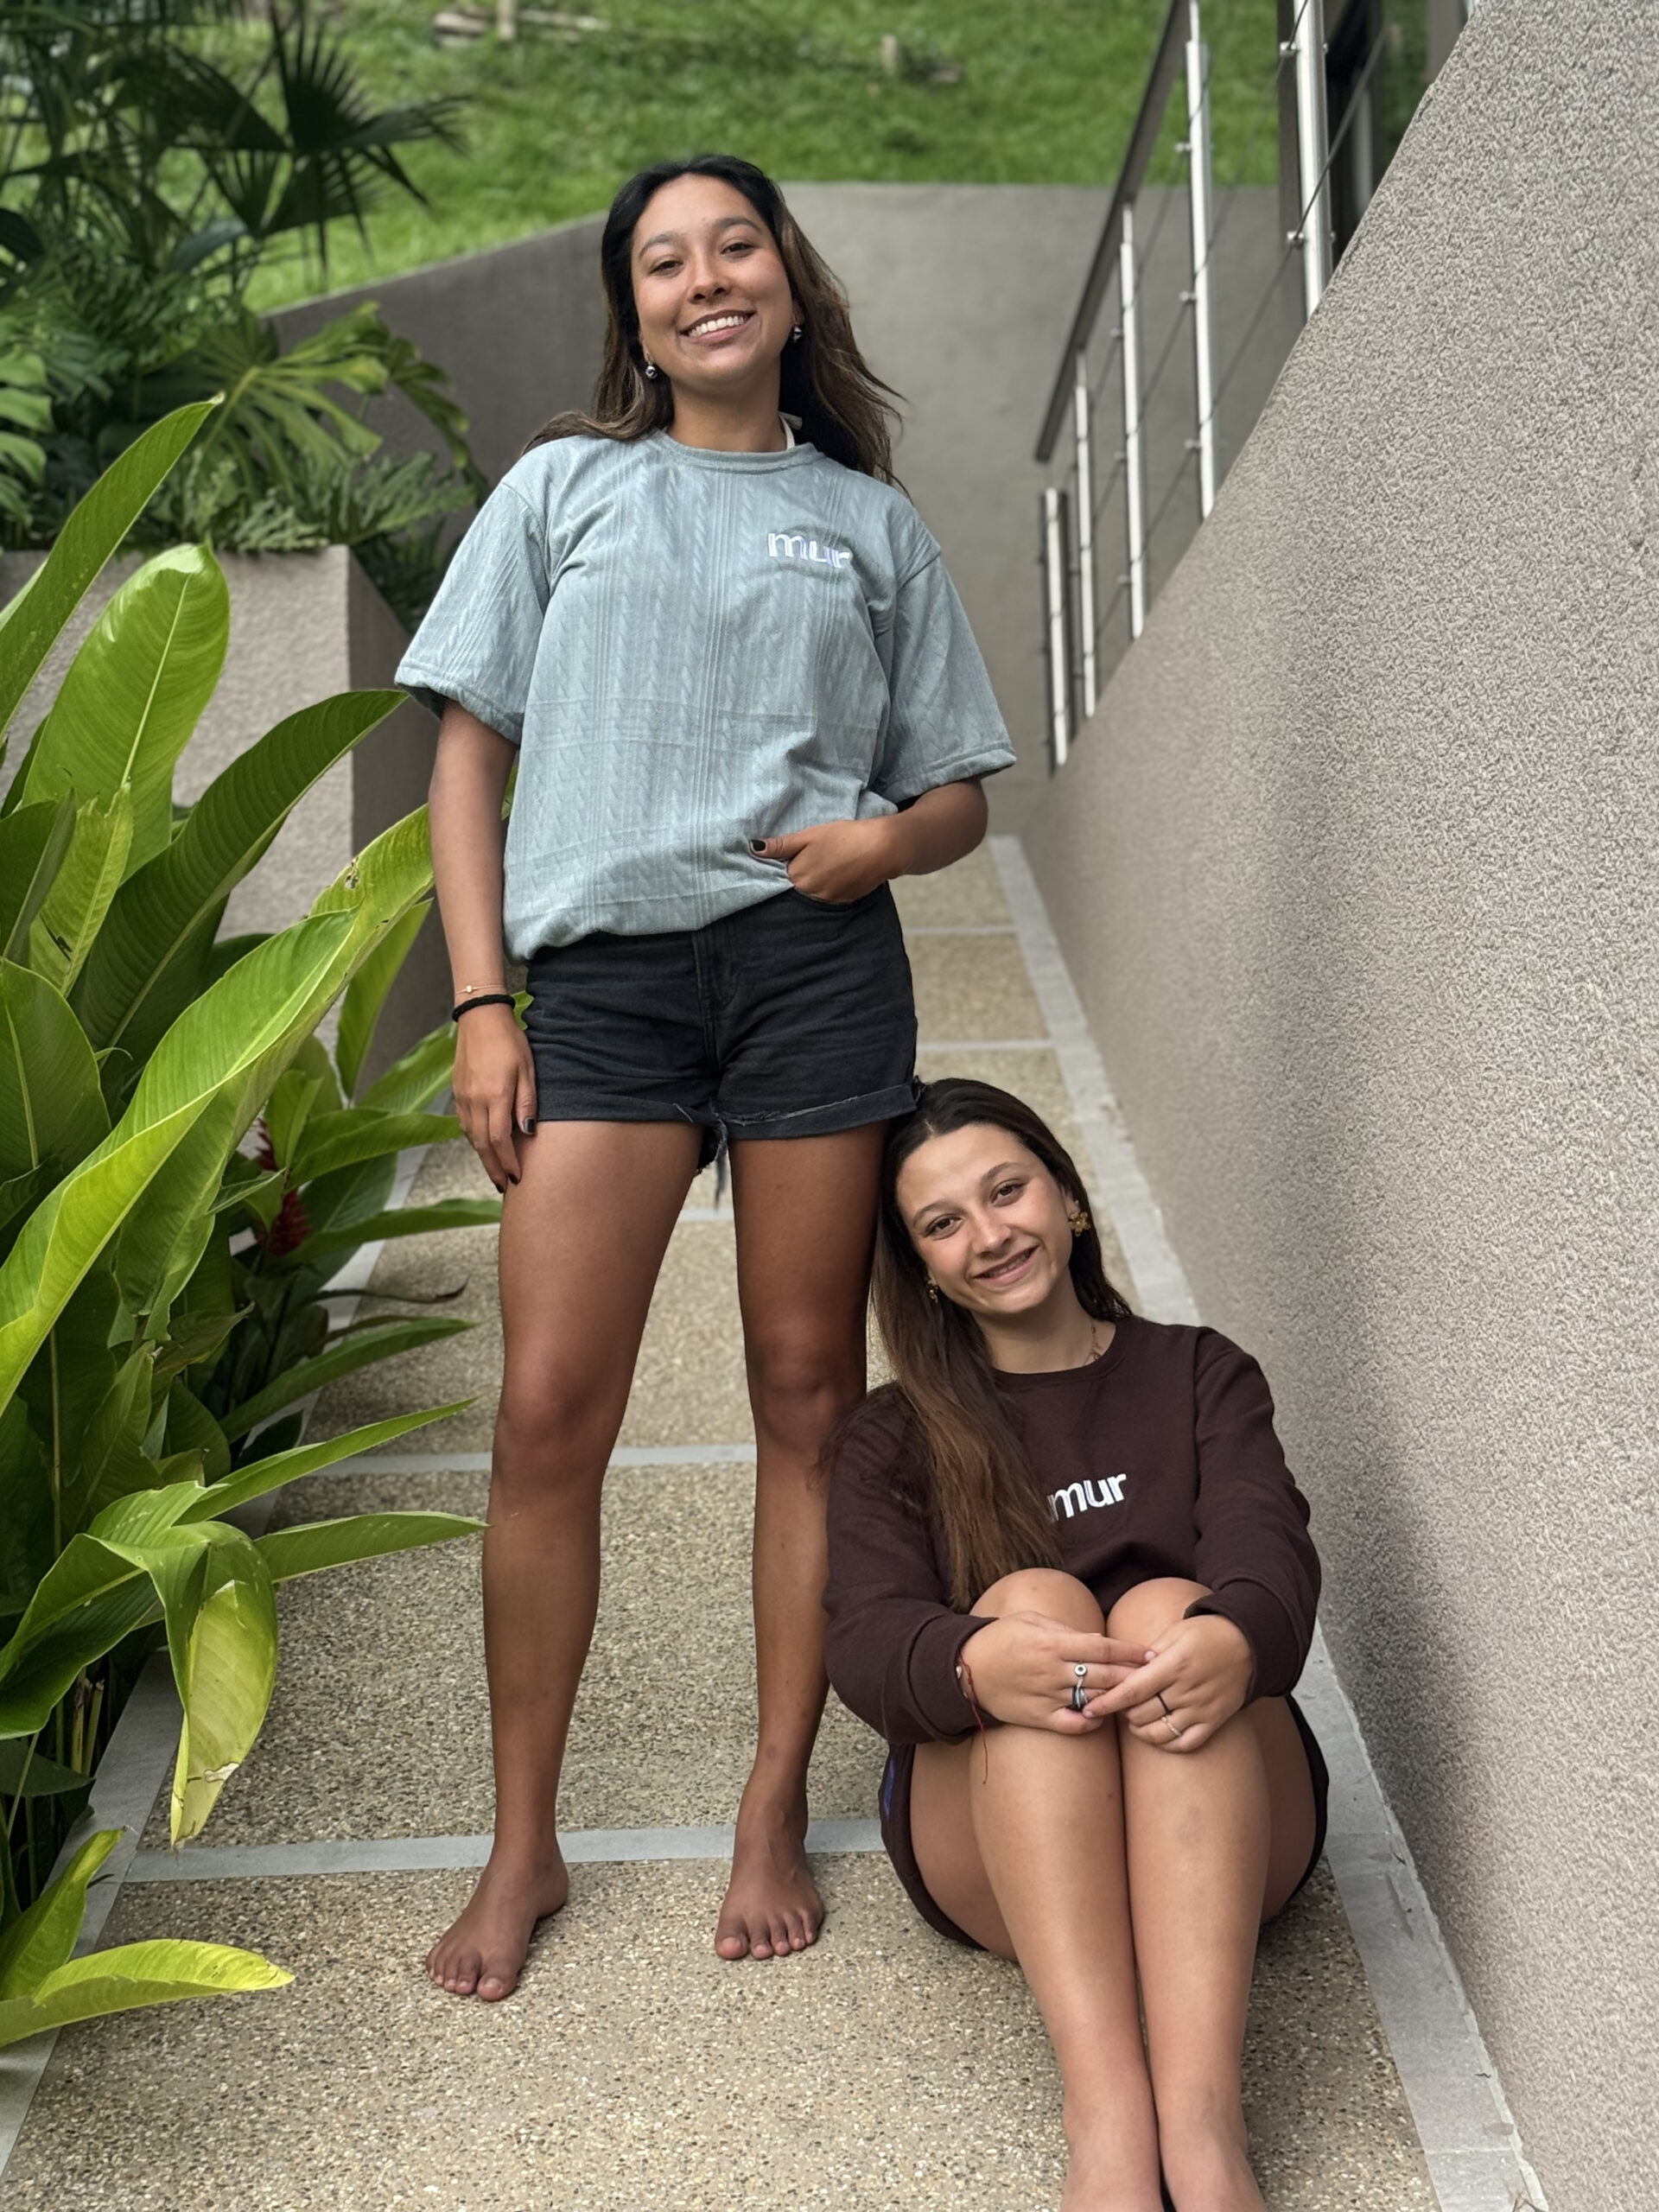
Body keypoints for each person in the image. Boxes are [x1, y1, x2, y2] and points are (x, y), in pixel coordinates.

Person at [397, 156, 1015, 1998]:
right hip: (602, 987)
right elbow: (465, 754)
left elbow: (959, 790)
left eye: (734, 244)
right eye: (664, 261)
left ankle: (771, 1800)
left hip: (813, 977)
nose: (704, 277)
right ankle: (523, 1837)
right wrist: (483, 1003)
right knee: (545, 1413)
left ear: (789, 282)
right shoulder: (561, 490)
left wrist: (880, 845)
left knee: (808, 1395)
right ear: (638, 315)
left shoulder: (868, 525)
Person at [823, 1079, 1326, 2212]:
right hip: (1005, 1851)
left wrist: (1236, 1636)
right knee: (1035, 1613)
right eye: (943, 1223)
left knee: (1164, 1614)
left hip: (1226, 1837)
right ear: (921, 1266)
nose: (989, 1234)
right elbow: (862, 1635)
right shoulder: (891, 1436)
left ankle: (1204, 2128)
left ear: (1070, 1198)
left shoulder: (1199, 1373)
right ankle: (1106, 2122)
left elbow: (1271, 1549)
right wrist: (969, 1661)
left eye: (1007, 1191)